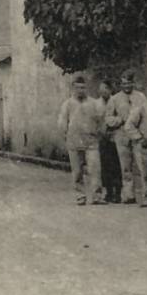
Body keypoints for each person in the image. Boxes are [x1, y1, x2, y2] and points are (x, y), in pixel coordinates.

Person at [57, 75, 106, 206]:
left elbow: (101, 121)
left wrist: (99, 134)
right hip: (74, 141)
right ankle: (80, 195)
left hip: (91, 141)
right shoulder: (67, 104)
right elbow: (62, 123)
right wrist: (66, 136)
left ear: (86, 88)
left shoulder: (94, 103)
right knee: (77, 171)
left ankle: (97, 196)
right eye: (78, 88)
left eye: (83, 87)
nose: (80, 90)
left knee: (95, 169)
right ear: (73, 88)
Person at [104, 70, 147, 204]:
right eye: (124, 83)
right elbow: (108, 118)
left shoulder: (141, 97)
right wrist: (119, 120)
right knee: (126, 167)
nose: (127, 86)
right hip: (121, 135)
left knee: (142, 165)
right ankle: (129, 195)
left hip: (137, 135)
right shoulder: (115, 99)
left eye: (129, 83)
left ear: (133, 83)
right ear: (121, 84)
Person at [96, 79, 123, 203]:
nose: (103, 92)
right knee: (105, 166)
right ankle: (108, 191)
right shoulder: (96, 104)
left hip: (115, 137)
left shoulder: (116, 101)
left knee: (116, 165)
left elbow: (120, 117)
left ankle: (118, 192)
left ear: (110, 90)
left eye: (106, 89)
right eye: (101, 89)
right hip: (102, 138)